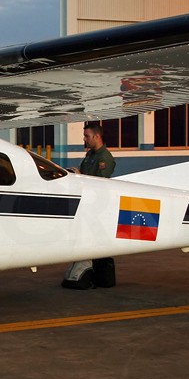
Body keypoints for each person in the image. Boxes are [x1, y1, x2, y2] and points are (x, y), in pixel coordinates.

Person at [63, 123, 117, 290]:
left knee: (96, 242)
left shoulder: (105, 158)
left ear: (96, 136)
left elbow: (100, 183)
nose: (84, 139)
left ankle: (94, 275)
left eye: (87, 136)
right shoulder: (90, 155)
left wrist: (81, 176)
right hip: (87, 206)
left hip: (97, 207)